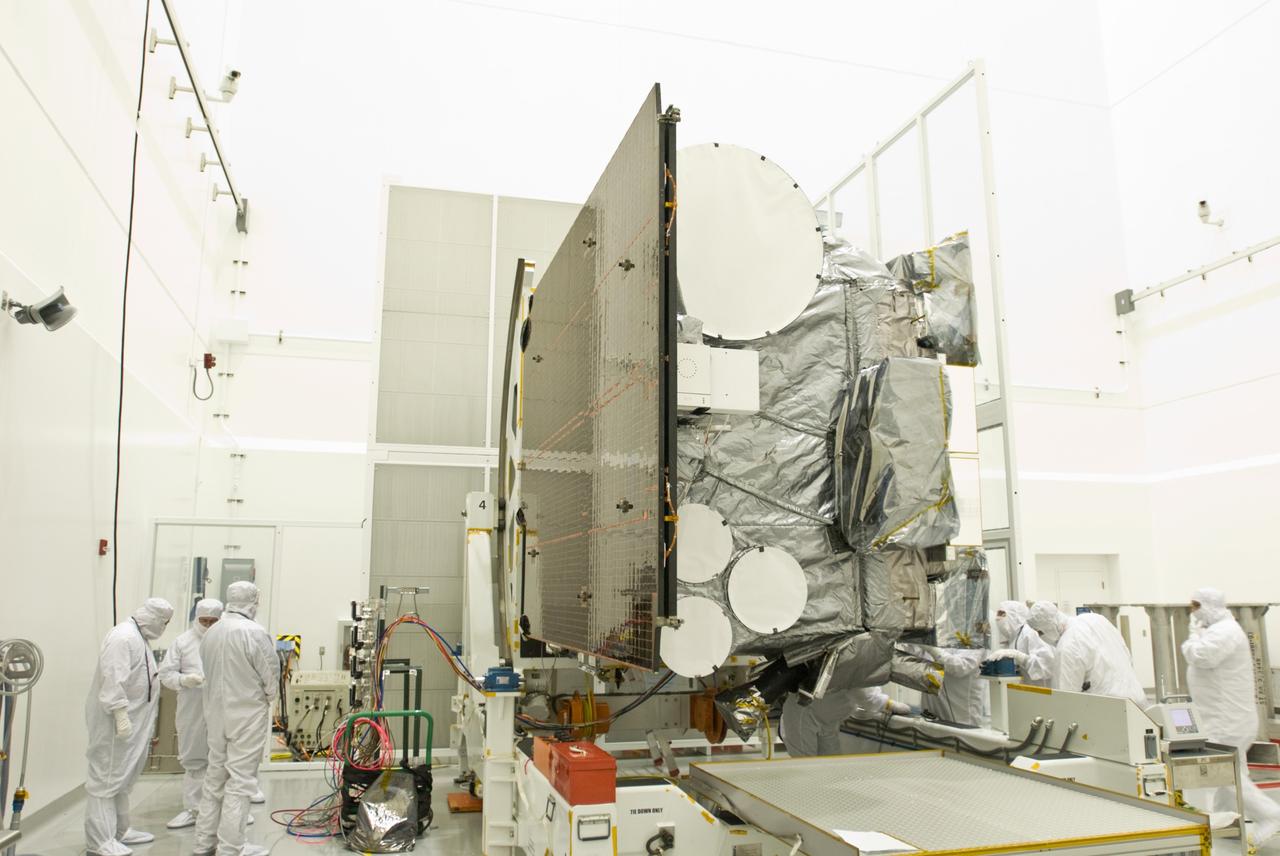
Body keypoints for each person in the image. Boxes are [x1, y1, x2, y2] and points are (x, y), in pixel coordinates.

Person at [1181, 587, 1280, 844]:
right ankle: (1228, 825)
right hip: (1222, 717)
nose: (1193, 612)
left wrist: (1191, 639)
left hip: (1228, 720)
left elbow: (1201, 656)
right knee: (1229, 775)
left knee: (1221, 773)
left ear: (1210, 605)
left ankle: (1271, 815)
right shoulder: (1215, 630)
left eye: (1196, 606)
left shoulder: (1225, 632)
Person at [193, 582, 279, 856]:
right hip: (246, 715)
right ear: (253, 601)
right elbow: (270, 675)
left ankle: (204, 843)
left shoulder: (212, 631)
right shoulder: (253, 632)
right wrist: (269, 696)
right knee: (241, 782)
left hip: (215, 714)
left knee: (215, 777)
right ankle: (231, 847)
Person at [84, 598, 174, 856]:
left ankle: (120, 831)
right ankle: (99, 842)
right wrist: (120, 714)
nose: (164, 628)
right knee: (105, 780)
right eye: (164, 623)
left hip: (132, 725)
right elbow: (113, 678)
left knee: (122, 781)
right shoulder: (123, 638)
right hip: (115, 724)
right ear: (153, 618)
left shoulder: (138, 638)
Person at [158, 599, 222, 830]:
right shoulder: (183, 642)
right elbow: (165, 674)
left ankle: (226, 810)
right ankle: (193, 809)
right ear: (196, 619)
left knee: (223, 758)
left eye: (213, 621)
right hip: (192, 706)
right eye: (203, 620)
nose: (207, 625)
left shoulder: (227, 640)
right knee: (194, 759)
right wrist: (184, 680)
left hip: (222, 706)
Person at [1027, 601, 1147, 708]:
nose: (1040, 637)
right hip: (1137, 701)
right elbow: (1126, 653)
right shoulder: (1095, 619)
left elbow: (1065, 699)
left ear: (1049, 626)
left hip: (1110, 710)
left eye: (1040, 632)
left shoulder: (1067, 645)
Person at [780, 685, 911, 756]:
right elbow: (864, 695)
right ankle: (804, 803)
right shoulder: (859, 654)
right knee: (806, 770)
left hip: (828, 721)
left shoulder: (867, 654)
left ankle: (825, 802)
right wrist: (889, 704)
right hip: (803, 715)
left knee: (831, 767)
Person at [983, 600, 1054, 687]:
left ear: (1014, 616)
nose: (998, 618)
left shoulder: (1029, 633)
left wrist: (1021, 657)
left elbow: (1046, 666)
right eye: (997, 614)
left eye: (1002, 614)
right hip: (1025, 689)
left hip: (1041, 689)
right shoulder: (1012, 637)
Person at [923, 648, 990, 727]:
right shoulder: (939, 638)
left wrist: (931, 648)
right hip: (930, 718)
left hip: (961, 723)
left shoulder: (976, 640)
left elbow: (959, 667)